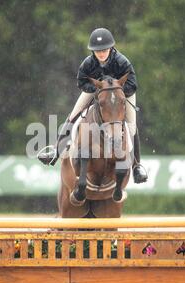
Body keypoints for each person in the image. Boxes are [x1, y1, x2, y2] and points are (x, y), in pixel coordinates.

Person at [38, 28, 147, 183]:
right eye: (97, 51)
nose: (101, 54)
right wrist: (97, 91)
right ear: (93, 51)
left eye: (104, 50)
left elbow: (132, 84)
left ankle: (137, 166)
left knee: (131, 126)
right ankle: (56, 151)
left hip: (122, 94)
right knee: (73, 115)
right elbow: (81, 82)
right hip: (96, 91)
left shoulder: (122, 61)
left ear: (110, 48)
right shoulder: (88, 63)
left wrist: (115, 92)